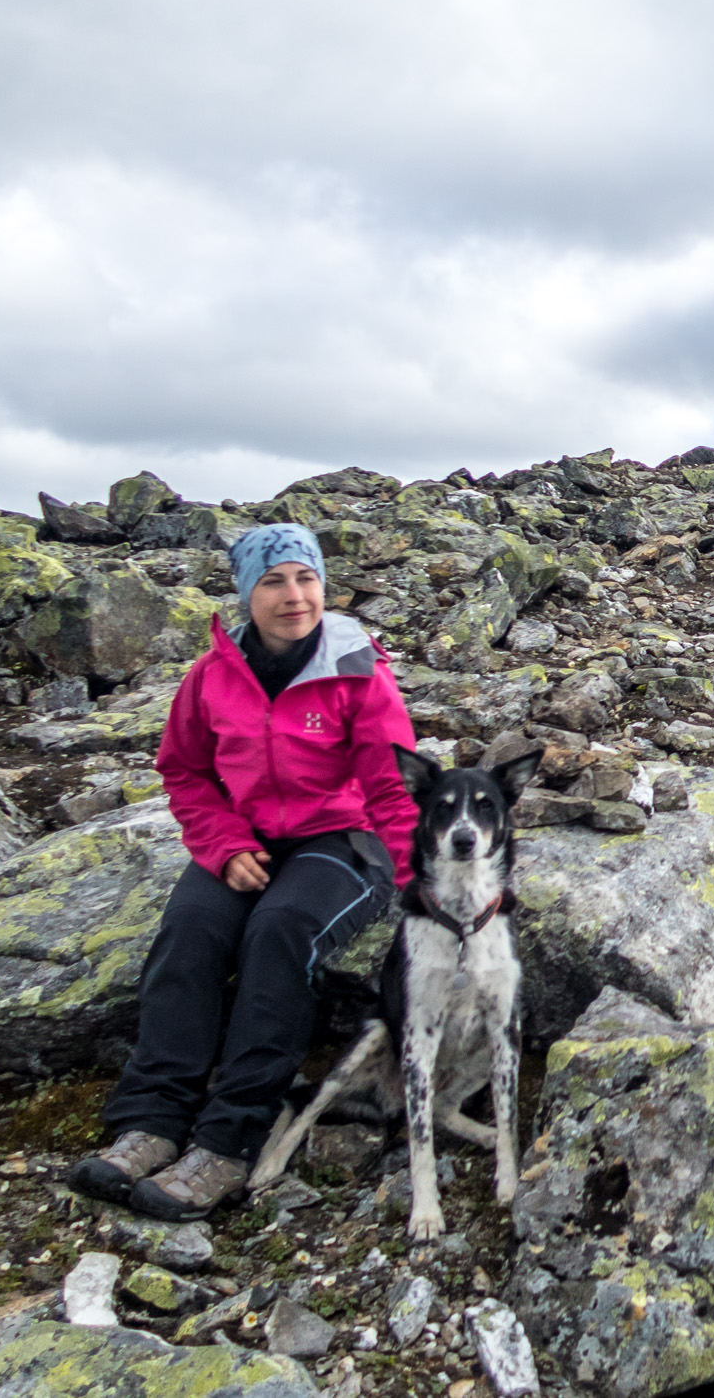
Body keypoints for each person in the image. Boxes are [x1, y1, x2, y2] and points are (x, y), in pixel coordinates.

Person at [66, 522, 419, 1220]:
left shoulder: (357, 669)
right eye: (274, 581)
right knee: (191, 929)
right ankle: (152, 1122)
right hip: (247, 838)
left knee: (281, 931)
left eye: (306, 578)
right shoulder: (211, 676)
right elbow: (186, 770)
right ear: (245, 593)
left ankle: (229, 1141)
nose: (295, 596)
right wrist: (223, 842)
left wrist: (422, 880)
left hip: (341, 840)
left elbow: (392, 787)